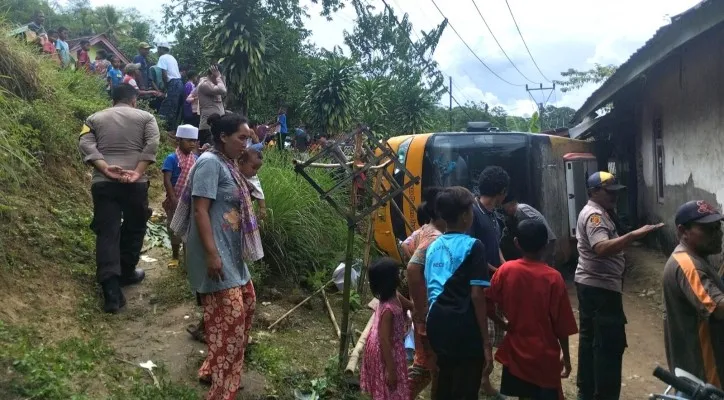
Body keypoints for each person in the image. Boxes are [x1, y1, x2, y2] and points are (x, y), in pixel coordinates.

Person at [170, 113, 261, 400]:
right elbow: (200, 210)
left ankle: (214, 368)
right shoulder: (210, 163)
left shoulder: (228, 163)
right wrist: (211, 255)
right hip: (216, 255)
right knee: (230, 325)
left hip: (232, 255)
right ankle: (222, 390)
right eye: (242, 137)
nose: (246, 144)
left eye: (248, 138)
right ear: (223, 137)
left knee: (246, 307)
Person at [575, 171, 663, 400]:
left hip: (594, 286)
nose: (614, 196)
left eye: (616, 191)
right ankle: (603, 394)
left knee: (591, 340)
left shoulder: (602, 211)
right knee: (609, 344)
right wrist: (634, 235)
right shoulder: (595, 215)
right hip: (600, 289)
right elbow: (601, 248)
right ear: (593, 192)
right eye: (608, 191)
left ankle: (587, 391)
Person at [78, 84, 160, 313]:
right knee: (135, 226)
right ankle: (126, 272)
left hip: (103, 183)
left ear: (113, 100)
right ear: (134, 100)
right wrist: (138, 171)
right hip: (135, 183)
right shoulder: (146, 117)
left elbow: (85, 143)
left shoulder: (94, 118)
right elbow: (152, 142)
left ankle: (111, 291)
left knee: (108, 231)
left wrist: (104, 168)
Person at [487, 219, 578, 400]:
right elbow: (562, 325)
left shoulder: (506, 270)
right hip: (544, 356)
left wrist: (503, 324)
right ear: (545, 245)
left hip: (516, 352)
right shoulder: (553, 278)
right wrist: (566, 358)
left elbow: (486, 303)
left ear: (516, 243)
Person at [425, 186, 492, 400]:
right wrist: (486, 341)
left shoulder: (432, 247)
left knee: (445, 382)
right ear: (465, 216)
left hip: (435, 323)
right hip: (463, 326)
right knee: (465, 387)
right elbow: (476, 295)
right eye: (471, 211)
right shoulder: (474, 246)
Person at [663, 200, 724, 388]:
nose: (718, 234)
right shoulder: (688, 265)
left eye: (718, 227)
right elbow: (719, 308)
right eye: (708, 229)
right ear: (683, 231)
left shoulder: (698, 259)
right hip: (705, 374)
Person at [468, 166, 509, 399]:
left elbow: (494, 246)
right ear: (501, 192)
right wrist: (498, 273)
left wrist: (505, 267)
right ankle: (480, 385)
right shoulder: (473, 213)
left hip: (494, 282)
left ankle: (485, 384)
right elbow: (473, 254)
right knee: (483, 337)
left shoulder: (491, 214)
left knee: (493, 337)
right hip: (480, 286)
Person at [406, 188, 445, 399]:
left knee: (425, 361)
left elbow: (406, 246)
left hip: (422, 308)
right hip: (429, 313)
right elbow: (412, 268)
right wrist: (420, 312)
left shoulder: (424, 230)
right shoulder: (436, 238)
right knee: (433, 366)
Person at [360, 257, 411, 400]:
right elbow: (384, 340)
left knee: (387, 389)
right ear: (391, 280)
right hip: (385, 351)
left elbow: (408, 304)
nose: (400, 275)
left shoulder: (395, 295)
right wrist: (391, 369)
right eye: (397, 273)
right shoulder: (389, 309)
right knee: (390, 386)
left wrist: (415, 310)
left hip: (386, 346)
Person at [162, 125, 199, 269]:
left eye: (194, 141)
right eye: (189, 140)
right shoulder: (171, 158)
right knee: (175, 229)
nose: (192, 144)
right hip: (175, 199)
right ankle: (175, 255)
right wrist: (173, 198)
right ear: (179, 140)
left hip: (190, 200)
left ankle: (188, 260)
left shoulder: (195, 159)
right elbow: (167, 180)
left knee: (189, 230)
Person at [501, 194, 557, 266]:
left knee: (543, 264)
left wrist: (542, 238)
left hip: (545, 239)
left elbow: (538, 220)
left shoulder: (521, 208)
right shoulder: (518, 212)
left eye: (507, 209)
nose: (507, 212)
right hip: (543, 239)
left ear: (512, 204)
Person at [156, 42, 184, 136]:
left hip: (173, 83)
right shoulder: (172, 58)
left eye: (158, 49)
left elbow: (164, 74)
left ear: (161, 49)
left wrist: (166, 86)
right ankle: (172, 130)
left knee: (167, 106)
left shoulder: (162, 57)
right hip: (179, 82)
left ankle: (161, 128)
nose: (157, 51)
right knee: (174, 107)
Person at [196, 65, 227, 147]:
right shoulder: (204, 84)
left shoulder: (214, 84)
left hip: (215, 127)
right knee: (209, 151)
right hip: (208, 128)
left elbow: (224, 90)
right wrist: (218, 77)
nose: (220, 78)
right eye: (218, 75)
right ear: (213, 74)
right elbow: (222, 90)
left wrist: (220, 78)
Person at [238, 145, 267, 221]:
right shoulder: (232, 169)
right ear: (241, 163)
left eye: (257, 169)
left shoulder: (252, 178)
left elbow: (259, 193)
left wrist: (262, 208)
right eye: (253, 168)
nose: (255, 172)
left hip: (245, 208)